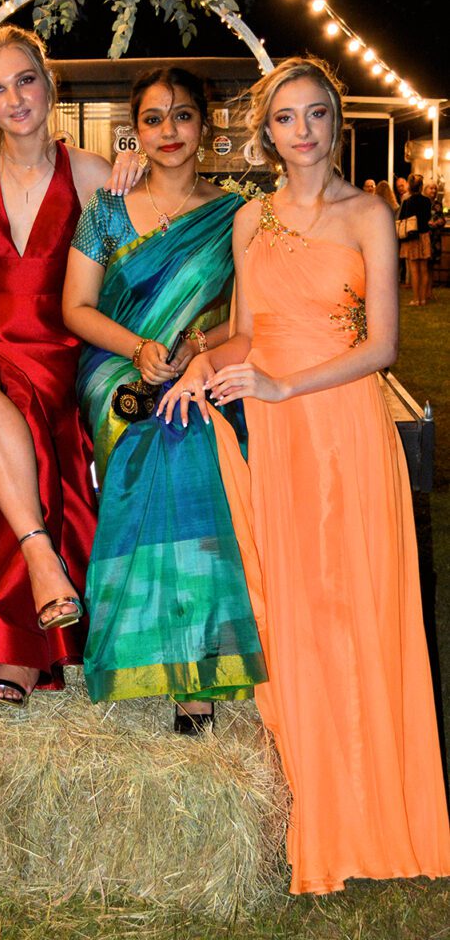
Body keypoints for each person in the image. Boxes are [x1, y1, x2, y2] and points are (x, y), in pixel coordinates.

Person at [160, 57, 450, 890]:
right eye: (286, 118)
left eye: (316, 114)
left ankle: (374, 802)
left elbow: (382, 345)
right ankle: (313, 786)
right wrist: (199, 363)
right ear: (267, 131)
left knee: (354, 600)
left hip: (343, 422)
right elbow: (249, 333)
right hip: (279, 431)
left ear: (336, 121)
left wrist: (286, 386)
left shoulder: (369, 213)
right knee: (298, 604)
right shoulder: (251, 221)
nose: (303, 131)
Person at [0, 26, 142, 709]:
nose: (15, 98)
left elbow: (140, 264)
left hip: (56, 353)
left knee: (7, 415)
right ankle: (39, 557)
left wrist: (139, 166)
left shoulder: (90, 173)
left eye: (25, 80)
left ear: (49, 84)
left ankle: (16, 643)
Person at [63, 67, 267, 733]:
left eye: (182, 116)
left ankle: (196, 666)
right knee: (155, 428)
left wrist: (194, 350)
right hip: (115, 366)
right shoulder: (107, 210)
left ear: (204, 125)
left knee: (190, 429)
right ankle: (151, 644)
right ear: (136, 132)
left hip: (203, 364)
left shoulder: (235, 214)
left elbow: (247, 320)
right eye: (153, 119)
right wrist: (140, 349)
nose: (169, 131)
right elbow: (76, 308)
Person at [399, 173, 432, 306]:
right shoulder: (427, 201)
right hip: (424, 236)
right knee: (424, 269)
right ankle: (423, 299)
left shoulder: (407, 202)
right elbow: (428, 217)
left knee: (414, 270)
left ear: (410, 187)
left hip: (411, 237)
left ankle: (416, 299)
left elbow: (401, 219)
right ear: (421, 186)